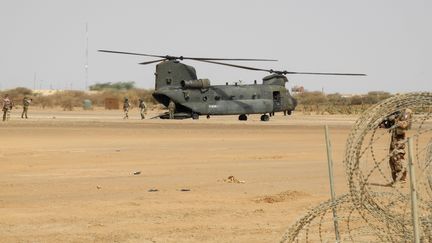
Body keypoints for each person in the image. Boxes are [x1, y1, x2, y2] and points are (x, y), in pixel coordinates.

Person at [381, 108, 412, 186]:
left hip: (400, 140)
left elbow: (405, 125)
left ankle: (402, 180)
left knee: (398, 158)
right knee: (392, 159)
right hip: (394, 139)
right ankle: (395, 180)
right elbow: (390, 125)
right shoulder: (396, 112)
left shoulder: (406, 112)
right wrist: (384, 123)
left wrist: (394, 119)